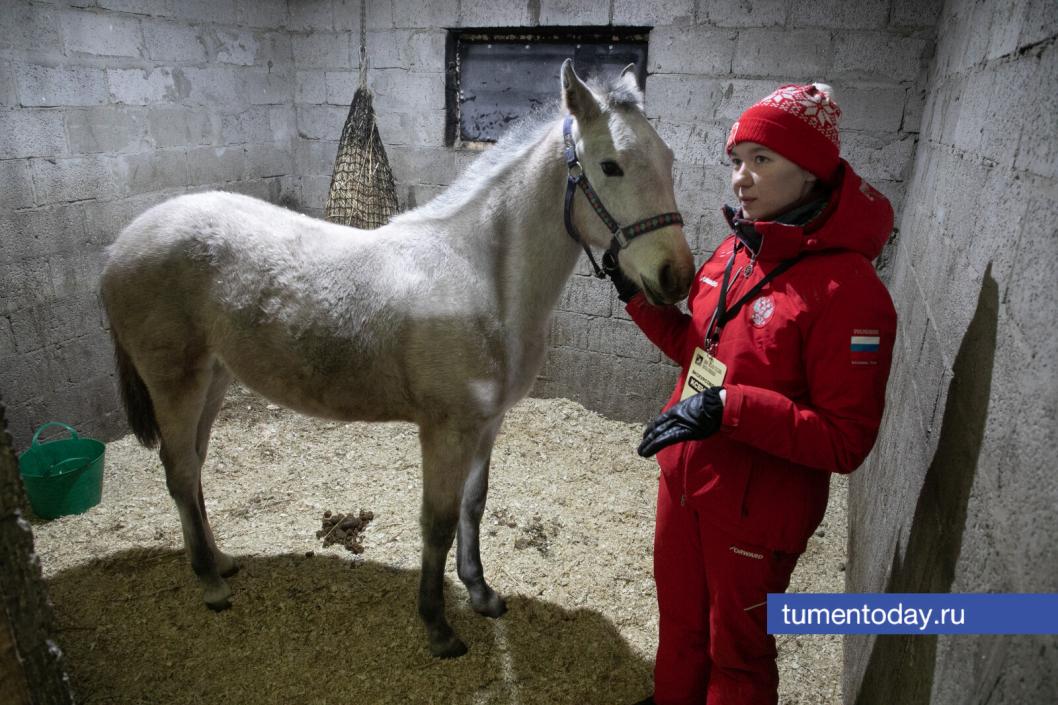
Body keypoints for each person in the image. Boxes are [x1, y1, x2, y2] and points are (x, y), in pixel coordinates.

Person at [607, 83, 897, 705]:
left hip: (755, 510)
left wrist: (728, 408)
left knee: (736, 652)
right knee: (680, 624)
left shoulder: (850, 293)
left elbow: (845, 440)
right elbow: (698, 351)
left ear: (812, 170)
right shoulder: (735, 250)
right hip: (686, 478)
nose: (741, 178)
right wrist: (636, 298)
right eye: (736, 160)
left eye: (762, 159)